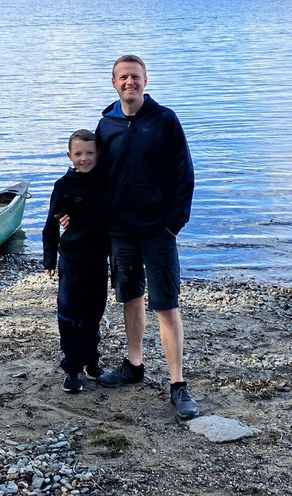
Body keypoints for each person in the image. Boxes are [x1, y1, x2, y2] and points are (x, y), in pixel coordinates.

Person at [95, 54, 198, 419]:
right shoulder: (106, 124)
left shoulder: (165, 120)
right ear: (114, 83)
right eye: (123, 77)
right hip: (120, 231)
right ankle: (134, 366)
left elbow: (184, 174)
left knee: (166, 304)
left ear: (145, 80)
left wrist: (174, 224)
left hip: (158, 230)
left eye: (135, 77)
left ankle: (178, 384)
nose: (129, 82)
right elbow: (93, 176)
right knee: (130, 296)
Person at [42, 129, 109, 393]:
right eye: (79, 154)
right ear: (70, 156)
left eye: (90, 153)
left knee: (94, 314)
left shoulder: (105, 181)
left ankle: (92, 361)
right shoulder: (63, 186)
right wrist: (49, 258)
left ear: (99, 154)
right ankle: (71, 368)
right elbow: (50, 225)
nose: (85, 158)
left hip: (98, 261)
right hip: (71, 260)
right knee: (69, 315)